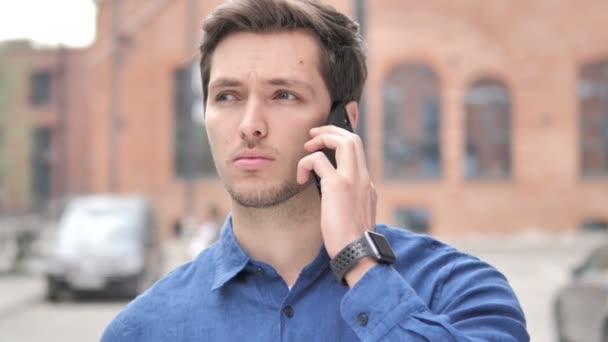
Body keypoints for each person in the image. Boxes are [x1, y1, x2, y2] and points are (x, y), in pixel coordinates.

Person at [102, 0, 529, 341]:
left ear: (343, 122)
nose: (250, 124)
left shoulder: (459, 292)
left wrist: (358, 260)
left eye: (284, 95)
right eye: (228, 96)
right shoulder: (142, 329)